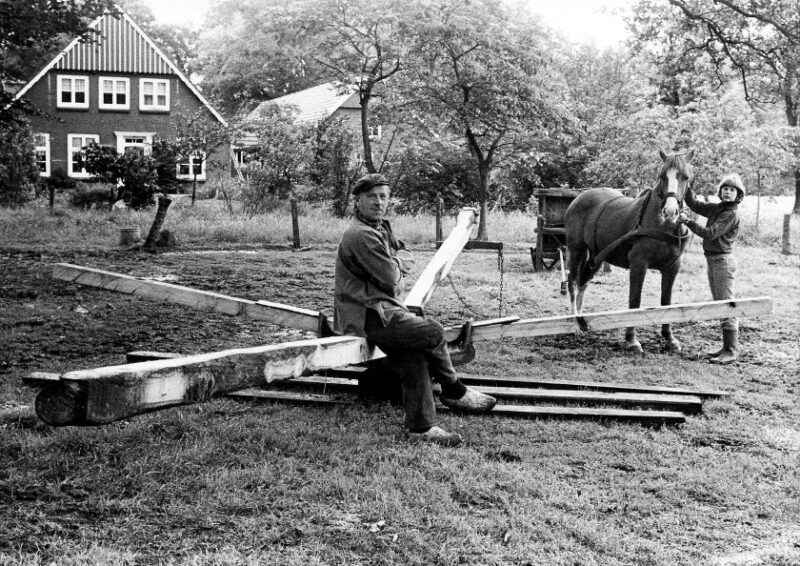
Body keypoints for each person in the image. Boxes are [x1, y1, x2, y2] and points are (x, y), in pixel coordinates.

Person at [334, 173, 496, 446]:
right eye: (371, 197)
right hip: (367, 316)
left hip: (385, 309)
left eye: (383, 196)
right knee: (432, 331)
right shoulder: (360, 235)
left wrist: (396, 260)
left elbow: (405, 256)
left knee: (414, 356)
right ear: (357, 201)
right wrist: (397, 263)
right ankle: (454, 389)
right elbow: (390, 277)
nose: (378, 202)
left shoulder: (380, 228)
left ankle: (421, 428)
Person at [677, 173, 745, 364]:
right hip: (714, 260)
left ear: (738, 194)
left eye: (732, 190)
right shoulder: (718, 208)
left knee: (726, 304)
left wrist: (688, 222)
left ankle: (731, 350)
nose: (728, 192)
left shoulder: (730, 213)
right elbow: (694, 204)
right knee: (720, 305)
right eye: (725, 189)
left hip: (722, 262)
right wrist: (686, 181)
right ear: (721, 191)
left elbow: (710, 234)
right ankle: (725, 347)